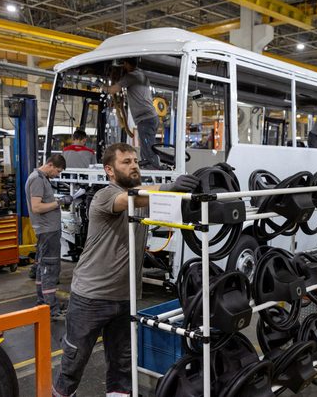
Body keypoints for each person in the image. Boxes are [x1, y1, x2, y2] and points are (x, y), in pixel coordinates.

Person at [53, 143, 198, 397]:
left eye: (135, 161)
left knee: (122, 366)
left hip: (125, 297)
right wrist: (167, 188)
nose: (133, 166)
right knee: (73, 364)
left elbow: (176, 208)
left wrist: (207, 183)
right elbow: (128, 199)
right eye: (126, 162)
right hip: (91, 297)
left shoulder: (142, 198)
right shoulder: (105, 196)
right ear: (109, 170)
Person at [26, 154, 72, 321]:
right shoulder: (37, 179)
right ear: (50, 165)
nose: (57, 175)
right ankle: (51, 309)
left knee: (42, 267)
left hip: (47, 229)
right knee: (50, 268)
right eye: (57, 171)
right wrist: (60, 202)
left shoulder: (41, 178)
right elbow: (37, 207)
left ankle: (42, 303)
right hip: (47, 230)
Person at [108, 58, 161, 169]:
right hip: (151, 118)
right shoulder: (142, 75)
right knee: (147, 147)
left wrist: (102, 86)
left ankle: (152, 172)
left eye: (124, 64)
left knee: (147, 149)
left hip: (145, 119)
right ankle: (150, 168)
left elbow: (113, 89)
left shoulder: (131, 76)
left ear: (126, 63)